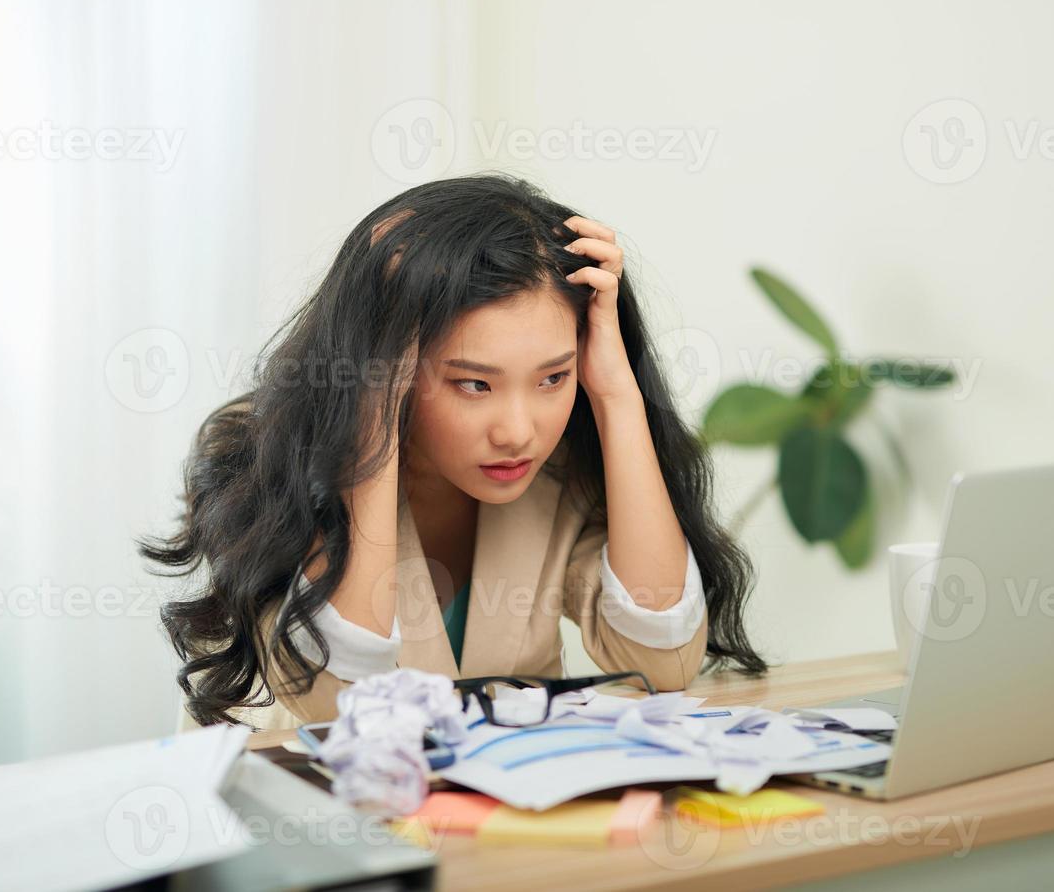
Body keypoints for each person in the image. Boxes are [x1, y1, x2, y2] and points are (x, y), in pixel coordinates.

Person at [141, 173, 767, 731]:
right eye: (474, 384)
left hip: (486, 837)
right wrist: (375, 414)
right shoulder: (265, 452)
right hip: (295, 836)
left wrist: (618, 396)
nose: (518, 431)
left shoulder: (566, 467)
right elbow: (335, 706)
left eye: (553, 378)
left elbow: (662, 663)